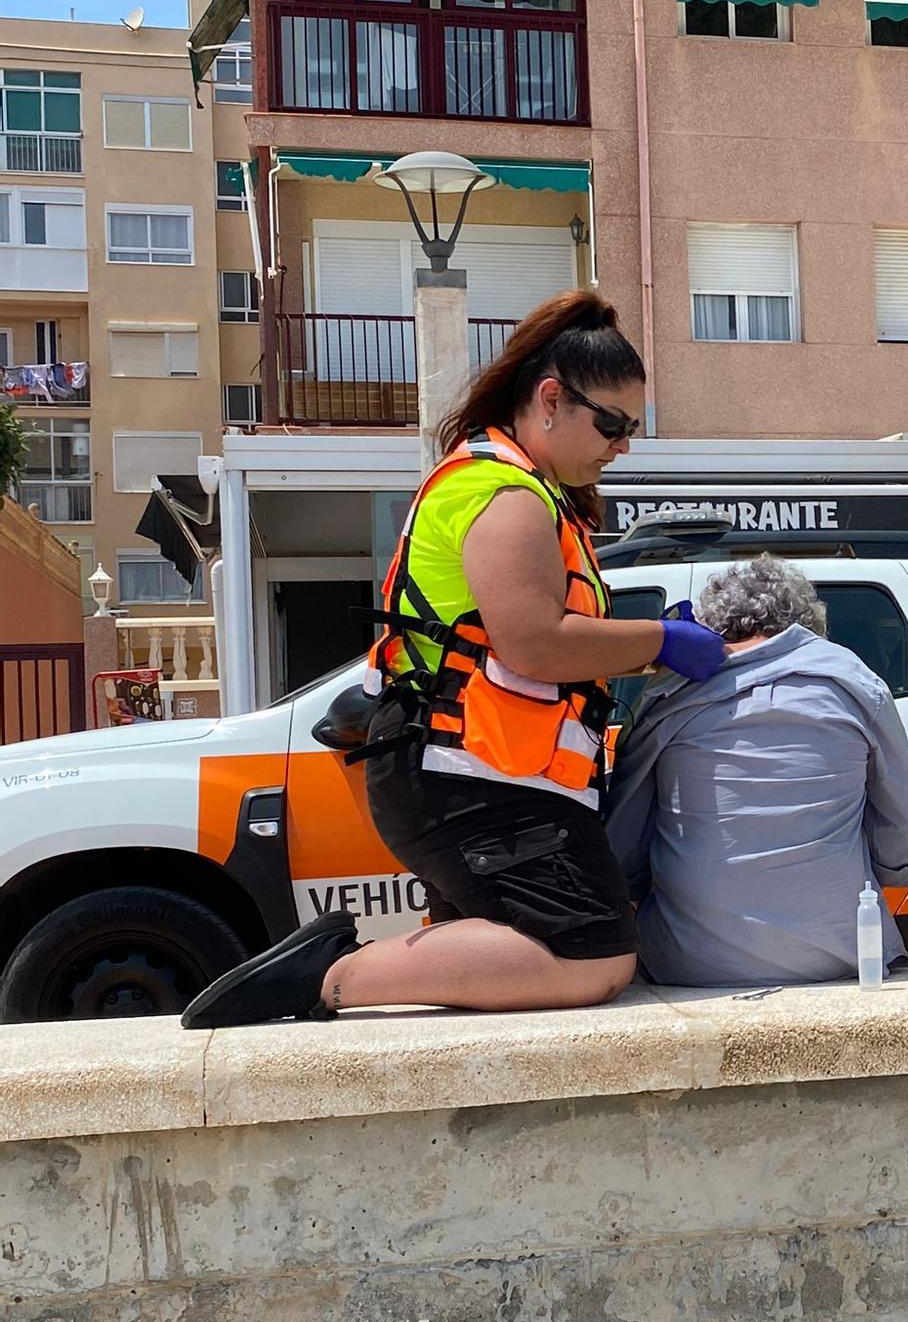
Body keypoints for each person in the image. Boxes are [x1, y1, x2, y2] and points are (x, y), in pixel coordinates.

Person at [182, 292, 727, 1027]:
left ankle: (340, 971)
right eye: (612, 425)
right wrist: (659, 642)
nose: (622, 445)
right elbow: (533, 643)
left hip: (469, 770)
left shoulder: (514, 484)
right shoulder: (506, 492)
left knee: (515, 955)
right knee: (592, 954)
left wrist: (642, 642)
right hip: (469, 776)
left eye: (632, 429)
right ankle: (328, 976)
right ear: (550, 400)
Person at [604, 556, 908, 986]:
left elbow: (623, 839)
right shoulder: (854, 682)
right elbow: (902, 833)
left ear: (714, 626)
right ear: (807, 621)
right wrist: (887, 873)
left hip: (690, 965)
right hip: (843, 956)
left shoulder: (672, 692)